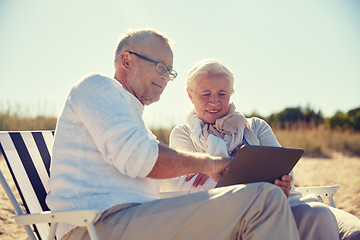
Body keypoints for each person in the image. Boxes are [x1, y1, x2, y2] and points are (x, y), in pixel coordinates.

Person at [45, 29, 301, 240]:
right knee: (263, 200)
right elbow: (142, 159)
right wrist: (213, 163)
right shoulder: (97, 86)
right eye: (159, 67)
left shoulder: (135, 121)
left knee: (270, 204)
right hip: (98, 225)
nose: (166, 78)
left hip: (138, 221)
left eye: (170, 71)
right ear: (126, 61)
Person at [166, 58, 360, 240]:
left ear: (231, 93)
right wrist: (257, 180)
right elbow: (196, 188)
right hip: (222, 215)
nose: (214, 101)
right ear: (190, 95)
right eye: (205, 94)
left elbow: (284, 171)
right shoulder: (182, 134)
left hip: (276, 202)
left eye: (222, 94)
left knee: (319, 213)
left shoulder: (256, 126)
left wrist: (215, 171)